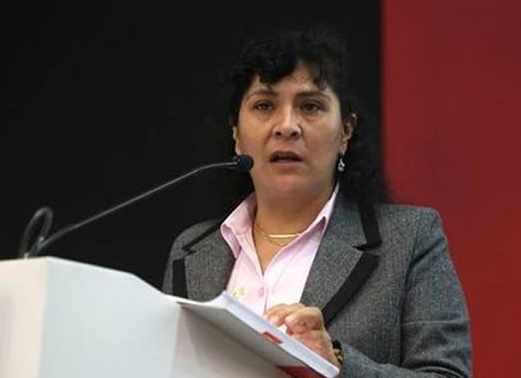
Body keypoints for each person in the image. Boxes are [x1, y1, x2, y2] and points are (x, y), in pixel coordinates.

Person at [163, 27, 471, 377]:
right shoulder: (191, 251)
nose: (287, 126)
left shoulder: (409, 239)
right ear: (236, 133)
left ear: (345, 132)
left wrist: (337, 362)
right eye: (264, 106)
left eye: (310, 106)